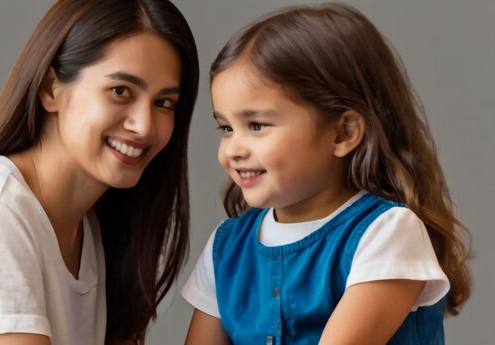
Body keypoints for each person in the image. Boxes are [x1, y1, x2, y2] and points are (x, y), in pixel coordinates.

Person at [0, 0, 198, 344]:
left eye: (164, 103)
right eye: (120, 91)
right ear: (49, 88)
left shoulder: (92, 230)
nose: (144, 125)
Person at [182, 3, 471, 344]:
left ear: (343, 133)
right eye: (227, 128)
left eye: (256, 125)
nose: (233, 149)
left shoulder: (387, 234)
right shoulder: (226, 246)